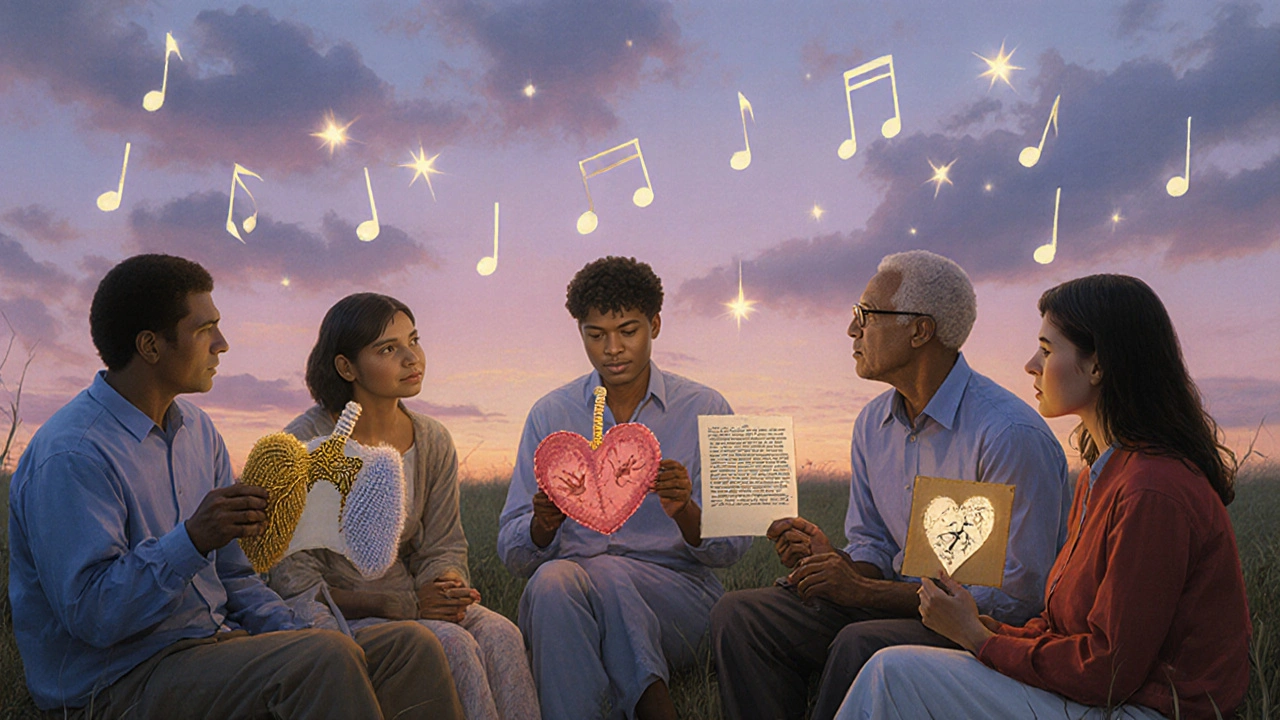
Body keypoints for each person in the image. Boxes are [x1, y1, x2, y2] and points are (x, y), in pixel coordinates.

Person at [6, 254, 463, 719]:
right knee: (322, 662)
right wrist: (191, 539)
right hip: (119, 681)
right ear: (150, 345)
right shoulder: (73, 454)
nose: (221, 344)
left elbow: (238, 576)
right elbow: (93, 615)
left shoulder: (198, 433)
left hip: (216, 645)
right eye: (205, 329)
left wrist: (299, 631)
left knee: (410, 647)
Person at [836, 274, 1252, 720]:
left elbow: (1108, 671)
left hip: (1147, 710)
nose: (1031, 365)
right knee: (897, 668)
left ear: (1098, 366)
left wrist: (979, 640)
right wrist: (983, 626)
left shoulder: (1153, 491)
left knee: (893, 672)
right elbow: (1066, 630)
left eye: (1048, 350)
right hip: (1103, 697)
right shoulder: (1101, 475)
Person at [711, 250, 1073, 720]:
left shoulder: (1006, 435)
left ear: (920, 331)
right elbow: (875, 546)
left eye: (865, 316)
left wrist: (862, 594)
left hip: (979, 629)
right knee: (740, 616)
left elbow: (1015, 599)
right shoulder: (872, 424)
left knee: (859, 641)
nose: (851, 330)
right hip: (898, 605)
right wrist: (835, 562)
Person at [497, 256, 752, 720]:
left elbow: (734, 547)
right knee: (553, 580)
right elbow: (512, 553)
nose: (612, 348)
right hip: (570, 601)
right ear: (580, 332)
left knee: (605, 571)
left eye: (628, 331)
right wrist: (541, 525)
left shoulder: (710, 406)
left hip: (678, 599)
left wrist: (686, 511)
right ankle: (647, 700)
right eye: (596, 335)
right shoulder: (549, 414)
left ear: (655, 324)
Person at [266, 292, 540, 720]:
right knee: (453, 645)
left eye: (414, 340)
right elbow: (292, 581)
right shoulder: (305, 445)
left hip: (411, 599)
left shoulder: (431, 439)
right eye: (388, 349)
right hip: (340, 612)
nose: (412, 358)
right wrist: (397, 605)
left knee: (501, 633)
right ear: (346, 367)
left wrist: (446, 588)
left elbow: (443, 543)